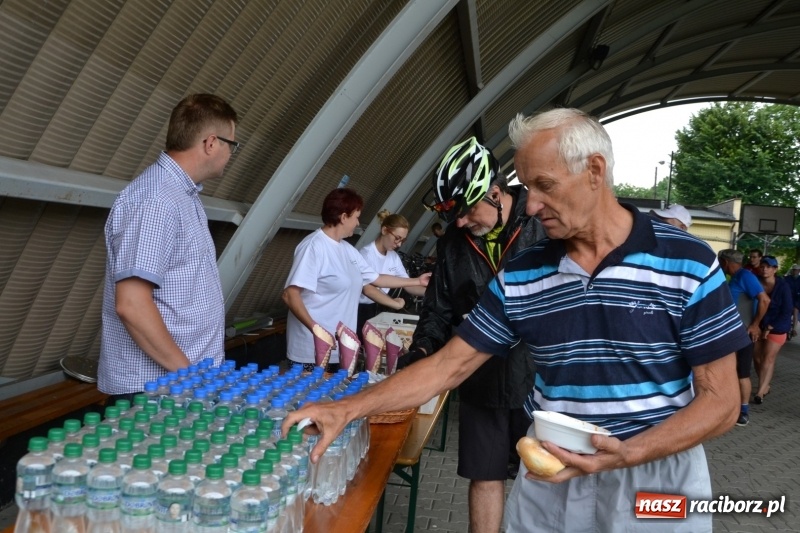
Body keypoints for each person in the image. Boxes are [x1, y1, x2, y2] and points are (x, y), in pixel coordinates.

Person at [283, 108, 749, 532]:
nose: (529, 206)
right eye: (528, 187)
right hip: (552, 474)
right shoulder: (525, 274)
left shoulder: (686, 262)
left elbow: (722, 402)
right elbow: (450, 366)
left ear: (594, 171)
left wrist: (631, 453)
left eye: (544, 185)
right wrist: (347, 408)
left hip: (656, 479)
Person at [399, 137, 544, 533]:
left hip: (540, 380)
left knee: (547, 482)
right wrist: (423, 347)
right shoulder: (452, 244)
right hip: (479, 377)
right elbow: (437, 309)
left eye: (466, 211)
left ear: (496, 193)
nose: (460, 223)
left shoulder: (541, 225)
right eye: (453, 215)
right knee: (485, 475)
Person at [99, 94, 239, 400]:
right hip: (157, 390)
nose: (232, 153)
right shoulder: (155, 200)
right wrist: (190, 377)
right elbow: (132, 305)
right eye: (232, 144)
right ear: (211, 143)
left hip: (181, 384)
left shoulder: (182, 196)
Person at [282, 188, 430, 372]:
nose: (358, 222)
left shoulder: (347, 250)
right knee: (310, 398)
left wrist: (417, 281)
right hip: (310, 350)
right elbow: (290, 294)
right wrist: (316, 330)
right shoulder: (313, 246)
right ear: (344, 217)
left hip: (341, 349)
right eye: (356, 217)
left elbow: (377, 279)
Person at [717, 249, 770, 426]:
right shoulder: (735, 278)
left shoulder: (746, 276)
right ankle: (727, 407)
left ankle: (744, 411)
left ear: (725, 262)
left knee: (742, 373)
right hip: (730, 332)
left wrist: (755, 325)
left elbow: (764, 300)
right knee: (727, 370)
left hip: (742, 333)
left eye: (720, 261)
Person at [356, 210, 427, 336]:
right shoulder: (366, 254)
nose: (399, 244)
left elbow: (407, 283)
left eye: (402, 241)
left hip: (379, 308)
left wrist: (432, 291)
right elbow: (368, 290)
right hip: (361, 310)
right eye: (397, 238)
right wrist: (395, 304)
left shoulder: (393, 257)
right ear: (384, 231)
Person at [753, 255, 793, 404]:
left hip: (777, 326)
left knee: (768, 359)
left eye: (769, 267)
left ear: (775, 269)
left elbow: (787, 310)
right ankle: (766, 385)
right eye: (763, 266)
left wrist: (770, 326)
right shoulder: (755, 282)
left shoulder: (783, 286)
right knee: (757, 358)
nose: (765, 269)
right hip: (758, 325)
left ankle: (760, 392)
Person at [783, 263, 800, 337]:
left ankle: (794, 329)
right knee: (787, 311)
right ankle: (786, 327)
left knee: (795, 311)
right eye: (794, 270)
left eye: (796, 270)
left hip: (798, 298)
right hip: (789, 297)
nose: (795, 271)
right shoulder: (787, 278)